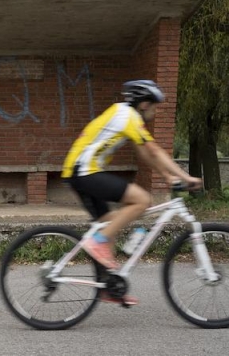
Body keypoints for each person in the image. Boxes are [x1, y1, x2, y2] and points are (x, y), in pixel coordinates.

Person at [61, 80, 202, 305]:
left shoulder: (124, 116)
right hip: (85, 171)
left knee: (110, 224)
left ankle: (108, 287)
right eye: (154, 106)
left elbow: (145, 154)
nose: (155, 112)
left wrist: (167, 177)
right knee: (142, 200)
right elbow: (154, 150)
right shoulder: (129, 117)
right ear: (144, 104)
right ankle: (97, 241)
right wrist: (186, 177)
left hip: (80, 171)